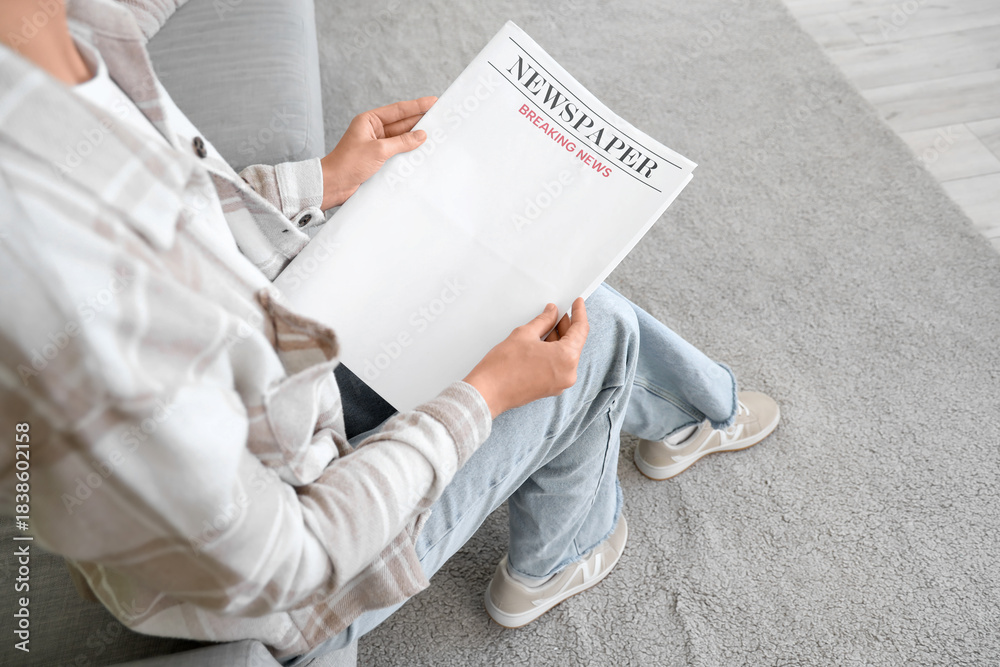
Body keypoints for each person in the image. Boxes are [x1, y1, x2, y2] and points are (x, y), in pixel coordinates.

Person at [0, 0, 780, 663]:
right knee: (588, 321)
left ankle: (692, 410)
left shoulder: (56, 45)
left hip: (271, 385)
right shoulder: (76, 302)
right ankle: (563, 552)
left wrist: (321, 181)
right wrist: (481, 397)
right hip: (297, 584)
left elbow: (175, 195)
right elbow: (291, 561)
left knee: (511, 273)